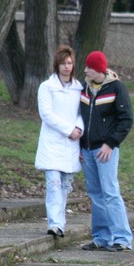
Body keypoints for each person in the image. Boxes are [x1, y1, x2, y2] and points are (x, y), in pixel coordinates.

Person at [79, 51, 134, 252]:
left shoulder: (116, 88)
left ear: (100, 70)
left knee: (110, 192)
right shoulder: (84, 88)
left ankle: (122, 239)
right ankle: (101, 237)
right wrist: (80, 146)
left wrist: (110, 143)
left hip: (105, 150)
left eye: (90, 67)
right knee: (95, 193)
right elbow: (80, 118)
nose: (85, 70)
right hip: (87, 149)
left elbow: (126, 119)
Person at [35, 45, 84, 238]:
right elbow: (46, 114)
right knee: (53, 183)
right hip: (52, 143)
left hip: (71, 144)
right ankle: (54, 223)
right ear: (57, 65)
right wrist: (68, 129)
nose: (66, 67)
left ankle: (60, 222)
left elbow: (82, 112)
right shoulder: (47, 87)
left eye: (69, 63)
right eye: (63, 63)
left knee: (65, 185)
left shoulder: (78, 88)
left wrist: (78, 128)